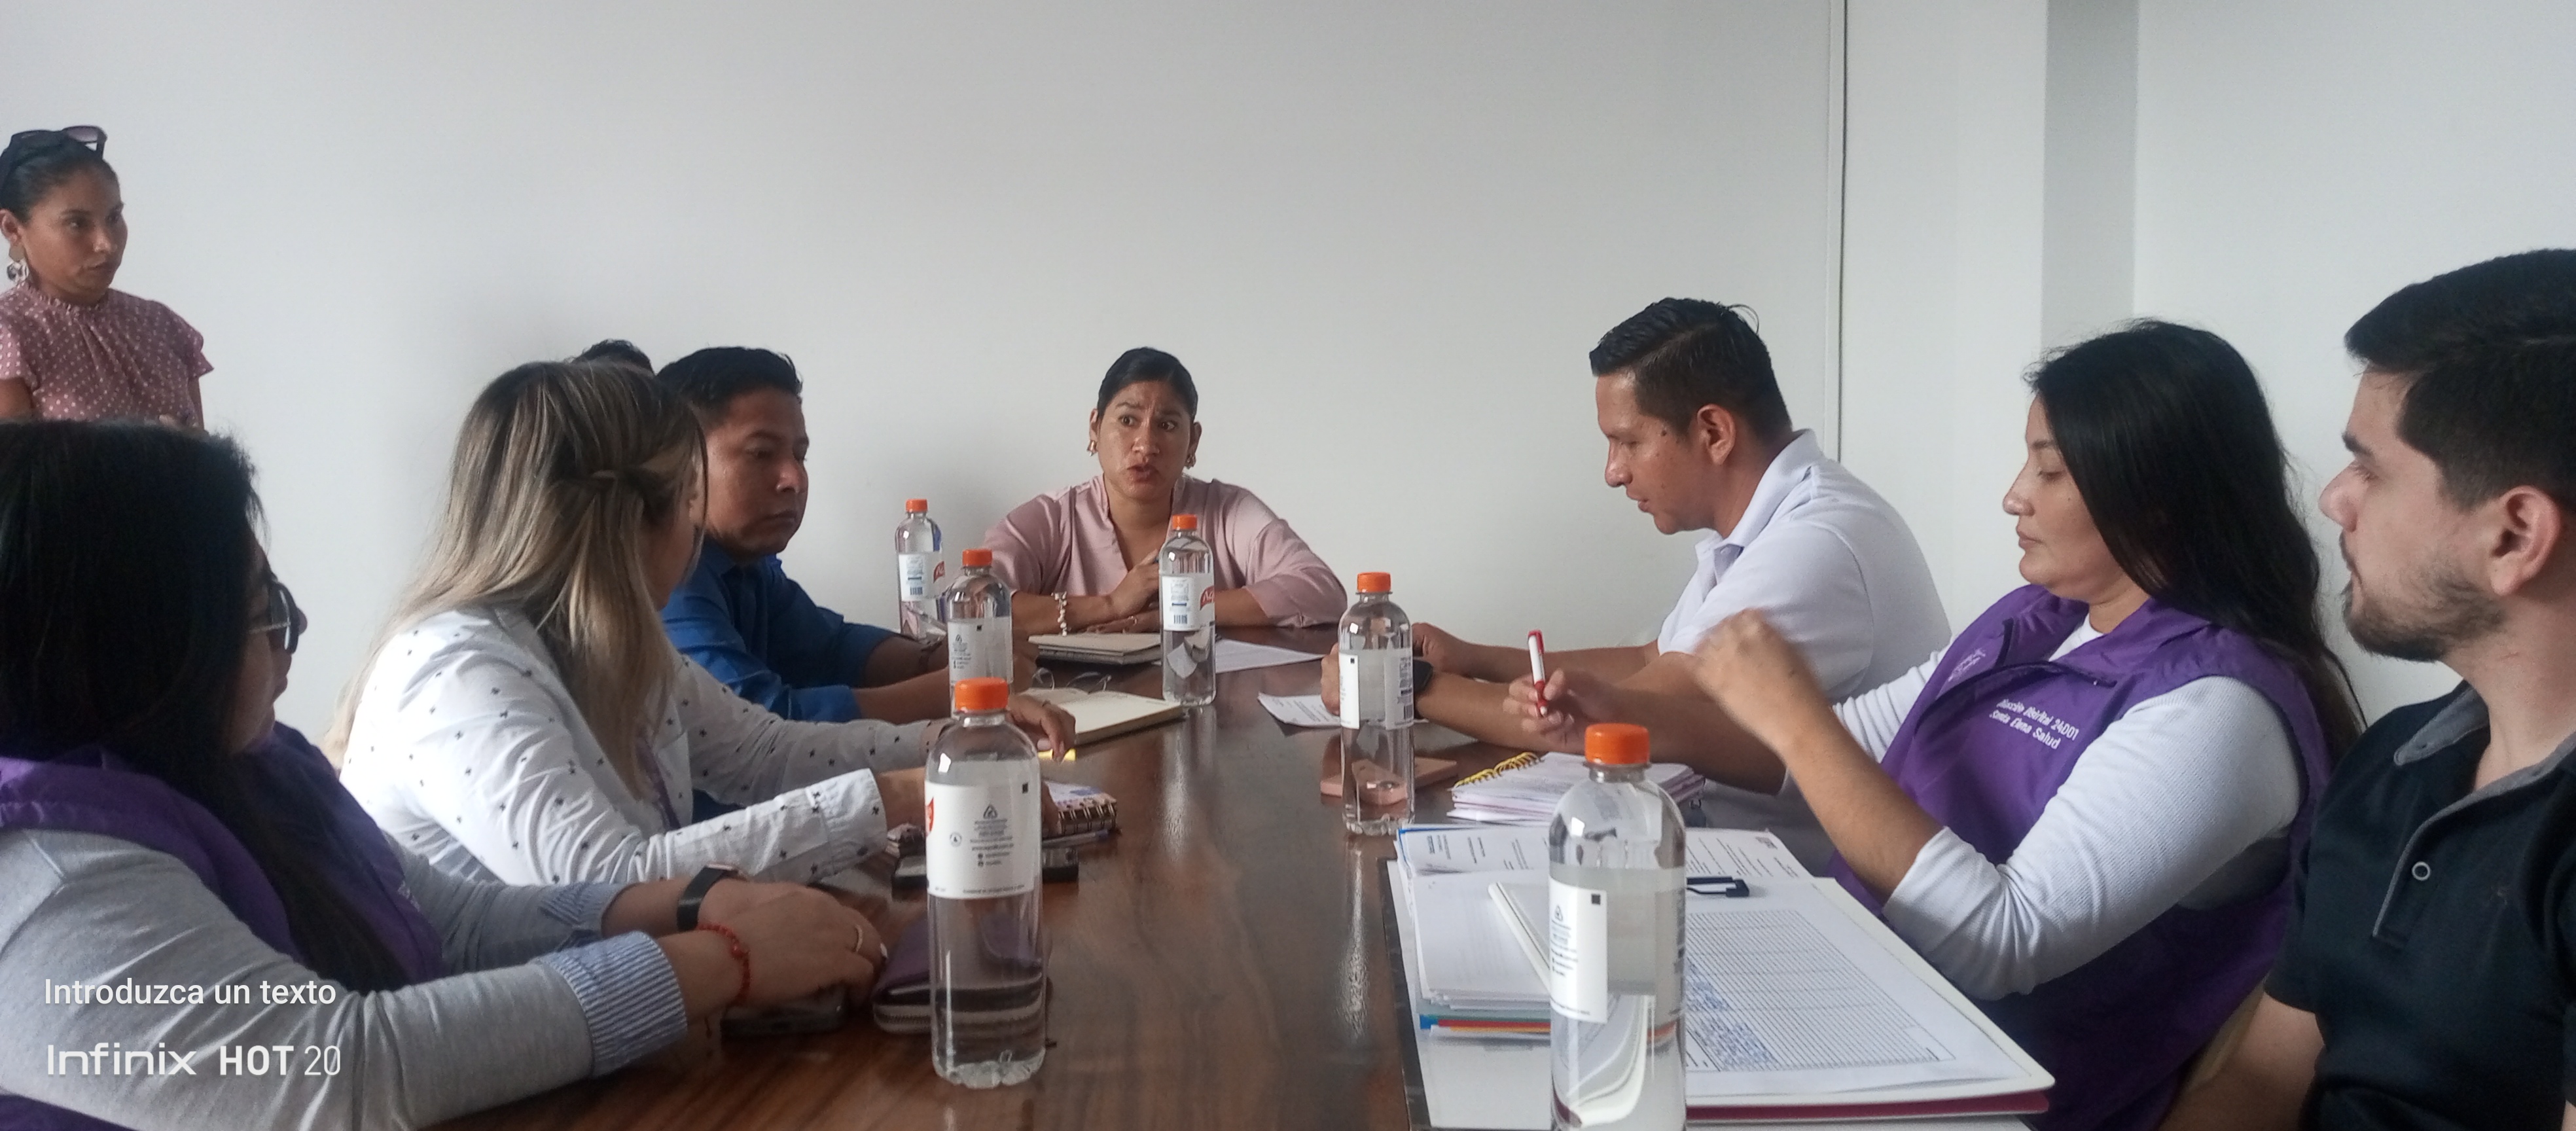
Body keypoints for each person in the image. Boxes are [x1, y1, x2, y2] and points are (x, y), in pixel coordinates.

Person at [0, 421, 888, 1130]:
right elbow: (339, 1072)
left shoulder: (254, 766)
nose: (290, 636)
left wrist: (688, 905)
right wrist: (717, 960)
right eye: (260, 608)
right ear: (135, 643)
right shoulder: (50, 890)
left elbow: (445, 919)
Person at [1685, 321, 2358, 1131]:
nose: (2015, 496)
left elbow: (1999, 942)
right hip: (1858, 1005)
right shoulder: (2038, 619)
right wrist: (1639, 718)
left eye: (2051, 470)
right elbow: (1855, 747)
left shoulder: (2220, 711)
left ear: (2155, 497)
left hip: (1985, 1095)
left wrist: (1796, 718)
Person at [336, 361, 1071, 887]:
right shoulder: (462, 673)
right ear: (637, 516)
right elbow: (610, 885)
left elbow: (766, 751)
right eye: (689, 495)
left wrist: (952, 739)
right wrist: (903, 795)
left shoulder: (608, 645)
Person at [2162, 250, 2576, 1130]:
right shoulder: (2396, 759)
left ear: (2514, 537)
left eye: (2371, 469)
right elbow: (2260, 1082)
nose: (2334, 500)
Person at [1336, 298, 1948, 866]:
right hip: (1722, 844)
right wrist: (1474, 659)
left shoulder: (1817, 545)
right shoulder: (1774, 521)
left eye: (1627, 442)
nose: (1613, 472)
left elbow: (1617, 716)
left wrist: (1397, 685)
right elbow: (1651, 659)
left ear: (1713, 433)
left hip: (1798, 880)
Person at [654, 347, 972, 727]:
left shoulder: (748, 565)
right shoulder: (670, 579)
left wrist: (950, 656)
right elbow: (757, 725)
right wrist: (962, 689)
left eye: (800, 455)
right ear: (681, 462)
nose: (794, 479)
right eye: (761, 453)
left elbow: (833, 650)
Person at [984, 346, 1344, 633]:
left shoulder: (1228, 512)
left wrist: (1180, 609)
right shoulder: (1054, 519)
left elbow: (1320, 589)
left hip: (1204, 698)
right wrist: (1110, 605)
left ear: (1193, 441)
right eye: (1128, 420)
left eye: (1167, 425)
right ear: (1095, 427)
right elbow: (976, 601)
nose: (1146, 445)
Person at [0, 126, 209, 426]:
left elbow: (203, 449)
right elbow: (14, 458)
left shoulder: (162, 326)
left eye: (114, 217)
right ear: (12, 228)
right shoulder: (9, 335)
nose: (107, 244)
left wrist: (192, 448)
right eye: (77, 223)